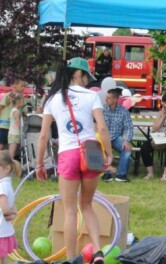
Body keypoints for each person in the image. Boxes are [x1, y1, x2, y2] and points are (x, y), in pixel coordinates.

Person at [36, 57, 113, 263]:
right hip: (91, 153)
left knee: (70, 210)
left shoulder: (52, 99)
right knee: (87, 204)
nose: (88, 80)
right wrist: (109, 153)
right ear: (77, 74)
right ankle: (98, 252)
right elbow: (102, 127)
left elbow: (43, 135)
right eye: (86, 75)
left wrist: (39, 163)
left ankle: (71, 259)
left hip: (68, 154)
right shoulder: (91, 96)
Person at [102, 88, 134, 182]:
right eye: (106, 97)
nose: (106, 99)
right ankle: (106, 174)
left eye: (108, 98)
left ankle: (121, 175)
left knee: (126, 149)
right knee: (99, 148)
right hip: (103, 137)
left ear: (115, 99)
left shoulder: (123, 111)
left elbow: (129, 127)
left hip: (116, 137)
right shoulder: (102, 110)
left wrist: (126, 140)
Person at [0, 150, 21, 264]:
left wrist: (9, 213)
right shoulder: (7, 183)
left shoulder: (2, 185)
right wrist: (14, 212)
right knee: (3, 258)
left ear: (7, 168)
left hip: (1, 227)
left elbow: (4, 207)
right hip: (4, 228)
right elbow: (12, 203)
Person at [0, 79, 26, 151]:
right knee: (1, 144)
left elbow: (25, 112)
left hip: (14, 127)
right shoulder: (8, 95)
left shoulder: (22, 98)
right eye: (21, 86)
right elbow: (0, 107)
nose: (23, 88)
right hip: (5, 125)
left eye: (24, 86)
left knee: (11, 147)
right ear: (15, 86)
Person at [8, 94, 24, 160]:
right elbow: (18, 124)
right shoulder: (16, 112)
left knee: (12, 152)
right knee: (12, 153)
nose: (23, 103)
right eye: (22, 101)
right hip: (14, 134)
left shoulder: (14, 110)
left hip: (13, 133)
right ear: (18, 101)